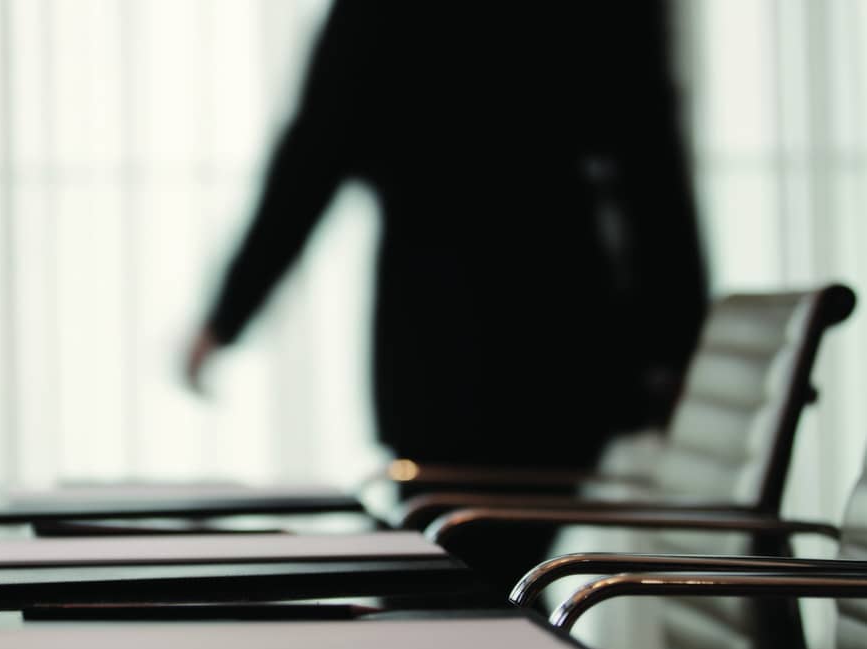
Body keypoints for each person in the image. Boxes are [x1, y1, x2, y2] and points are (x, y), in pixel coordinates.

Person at [185, 0, 709, 486]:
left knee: (457, 556)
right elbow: (650, 163)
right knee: (494, 553)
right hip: (563, 321)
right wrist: (678, 339)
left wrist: (228, 314)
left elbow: (313, 156)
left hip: (439, 333)